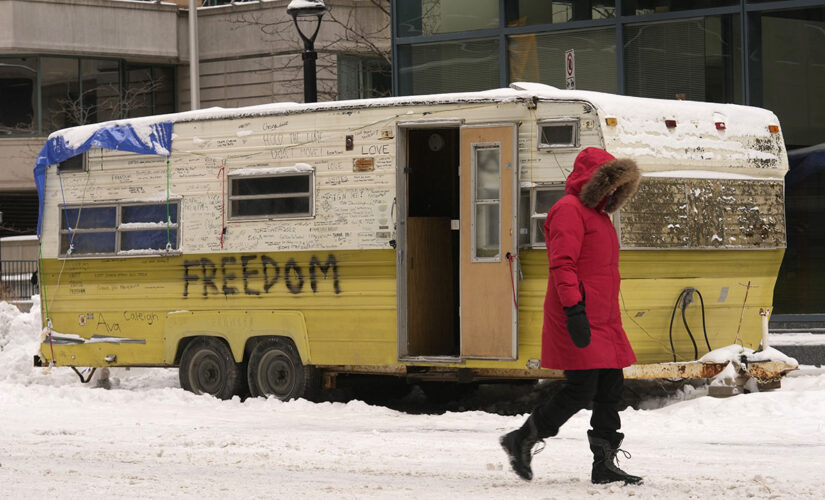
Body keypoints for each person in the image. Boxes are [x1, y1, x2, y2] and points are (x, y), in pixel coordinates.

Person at [500, 147, 643, 485]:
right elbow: (563, 264)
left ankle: (604, 464)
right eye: (610, 185)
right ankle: (523, 438)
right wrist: (574, 309)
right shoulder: (568, 210)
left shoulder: (599, 216)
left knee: (611, 387)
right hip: (577, 313)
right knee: (581, 389)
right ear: (594, 181)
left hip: (604, 318)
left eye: (618, 187)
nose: (613, 192)